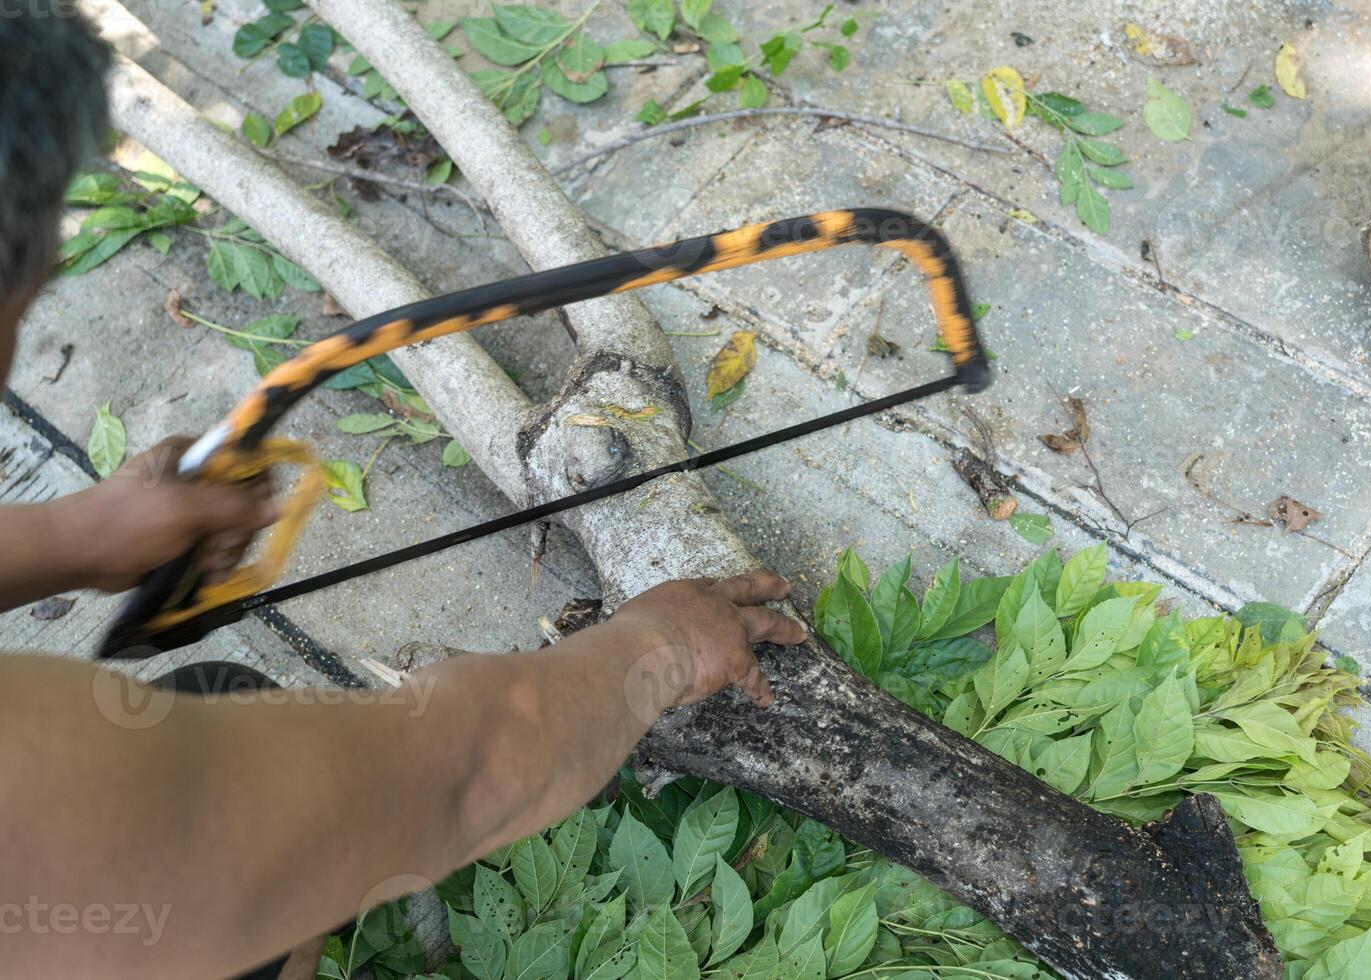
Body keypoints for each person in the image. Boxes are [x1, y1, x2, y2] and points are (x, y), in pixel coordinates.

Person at [0, 11, 807, 979]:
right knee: (257, 833)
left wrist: (79, 536)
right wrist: (660, 645)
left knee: (222, 706)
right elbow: (453, 776)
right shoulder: (45, 805)